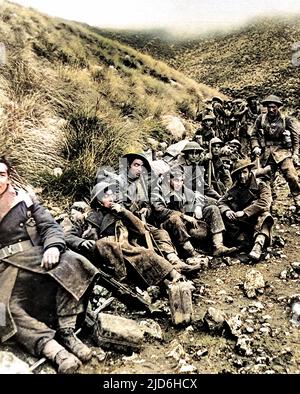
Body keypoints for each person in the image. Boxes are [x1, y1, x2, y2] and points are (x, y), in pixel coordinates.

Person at [0, 157, 99, 373]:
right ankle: (53, 350)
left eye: (1, 174)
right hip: (5, 270)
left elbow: (50, 226)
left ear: (8, 177)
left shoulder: (24, 199)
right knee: (2, 310)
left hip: (37, 257)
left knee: (74, 263)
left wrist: (53, 247)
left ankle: (67, 331)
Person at [65, 181, 184, 293]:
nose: (111, 198)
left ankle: (175, 281)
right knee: (114, 246)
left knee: (145, 254)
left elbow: (141, 230)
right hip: (106, 257)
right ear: (99, 201)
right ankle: (171, 281)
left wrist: (124, 212)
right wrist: (81, 242)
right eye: (106, 196)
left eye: (112, 195)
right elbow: (68, 235)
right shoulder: (87, 218)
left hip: (126, 250)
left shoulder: (119, 214)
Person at [151, 165, 236, 258]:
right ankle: (192, 253)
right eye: (175, 180)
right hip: (168, 227)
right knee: (175, 219)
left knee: (212, 209)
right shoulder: (158, 192)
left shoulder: (184, 190)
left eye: (181, 180)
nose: (179, 183)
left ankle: (218, 246)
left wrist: (198, 206)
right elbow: (159, 211)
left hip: (186, 225)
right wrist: (183, 215)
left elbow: (199, 197)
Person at [250, 94, 300, 209]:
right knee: (265, 178)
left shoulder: (285, 119)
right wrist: (255, 146)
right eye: (269, 107)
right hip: (266, 153)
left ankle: (298, 199)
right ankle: (269, 203)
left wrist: (295, 153)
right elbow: (253, 135)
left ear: (278, 107)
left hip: (283, 152)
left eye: (274, 107)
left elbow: (295, 138)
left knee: (292, 176)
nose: (271, 109)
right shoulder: (261, 119)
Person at [218, 158, 273, 261]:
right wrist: (227, 211)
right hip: (243, 224)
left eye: (244, 172)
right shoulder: (235, 188)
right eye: (239, 174)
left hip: (258, 223)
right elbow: (221, 202)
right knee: (223, 216)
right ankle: (242, 243)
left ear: (249, 172)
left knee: (265, 215)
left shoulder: (260, 185)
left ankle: (258, 245)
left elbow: (265, 202)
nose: (242, 176)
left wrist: (244, 212)